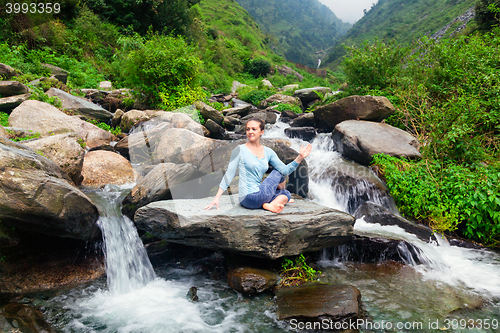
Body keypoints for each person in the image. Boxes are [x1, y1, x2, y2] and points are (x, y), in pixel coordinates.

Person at [204, 118, 312, 213]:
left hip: (245, 201)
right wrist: (217, 197)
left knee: (287, 194)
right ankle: (271, 202)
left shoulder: (268, 152)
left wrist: (301, 156)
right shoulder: (240, 150)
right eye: (248, 129)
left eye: (254, 129)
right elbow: (229, 174)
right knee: (279, 172)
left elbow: (286, 170)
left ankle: (273, 200)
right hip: (251, 197)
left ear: (262, 132)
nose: (250, 132)